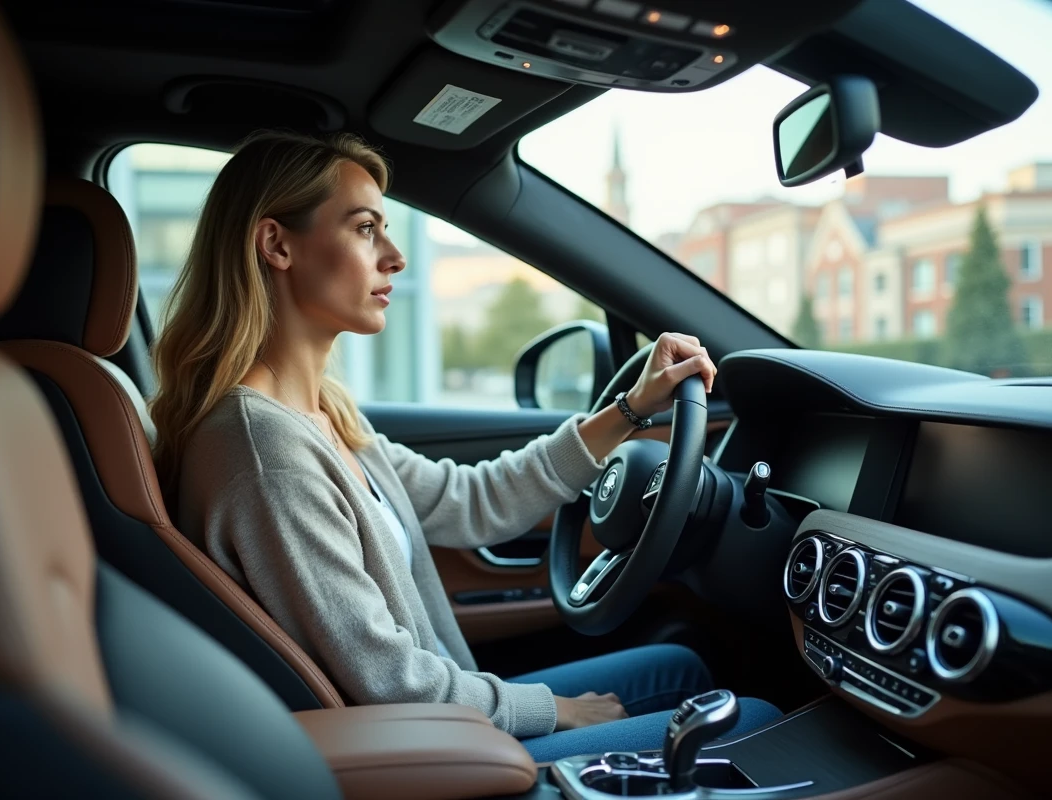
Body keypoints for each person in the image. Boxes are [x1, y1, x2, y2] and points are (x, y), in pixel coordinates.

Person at [150, 130, 780, 762]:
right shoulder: (268, 458)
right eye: (366, 228)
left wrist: (628, 411)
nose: (395, 256)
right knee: (754, 722)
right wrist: (549, 710)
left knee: (678, 666)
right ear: (277, 245)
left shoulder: (318, 416)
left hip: (443, 725)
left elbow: (468, 501)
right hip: (433, 758)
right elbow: (391, 682)